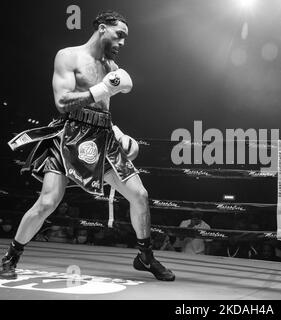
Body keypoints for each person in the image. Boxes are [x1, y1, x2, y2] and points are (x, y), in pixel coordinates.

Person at [1, 10, 174, 281]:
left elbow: (102, 108)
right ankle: (11, 257)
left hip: (102, 137)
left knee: (139, 195)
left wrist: (117, 131)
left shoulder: (112, 68)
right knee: (48, 201)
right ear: (102, 28)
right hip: (68, 134)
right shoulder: (68, 56)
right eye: (120, 35)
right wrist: (102, 89)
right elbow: (62, 102)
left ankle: (145, 256)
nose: (123, 42)